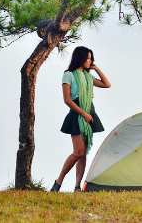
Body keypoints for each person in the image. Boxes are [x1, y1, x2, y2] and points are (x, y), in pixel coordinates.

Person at [49, 46, 112, 192]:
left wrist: (96, 68)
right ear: (80, 57)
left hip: (90, 112)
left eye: (91, 58)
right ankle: (58, 182)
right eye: (88, 58)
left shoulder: (89, 77)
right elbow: (67, 100)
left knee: (83, 153)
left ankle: (77, 187)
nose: (90, 61)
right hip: (78, 113)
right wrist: (84, 114)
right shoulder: (68, 75)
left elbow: (107, 84)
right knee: (78, 152)